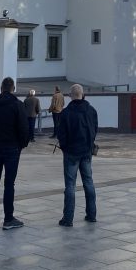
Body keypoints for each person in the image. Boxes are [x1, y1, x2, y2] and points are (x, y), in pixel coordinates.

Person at [0, 76, 30, 230]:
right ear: (13, 88)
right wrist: (21, 145)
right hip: (12, 149)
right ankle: (8, 219)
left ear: (0, 88)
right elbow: (24, 128)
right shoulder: (18, 105)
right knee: (9, 184)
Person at [56, 84, 98, 227]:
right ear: (83, 94)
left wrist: (65, 147)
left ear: (71, 95)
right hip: (86, 152)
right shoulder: (91, 111)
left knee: (70, 185)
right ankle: (92, 214)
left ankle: (68, 219)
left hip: (71, 153)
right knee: (88, 182)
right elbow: (94, 130)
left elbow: (61, 134)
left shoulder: (66, 113)